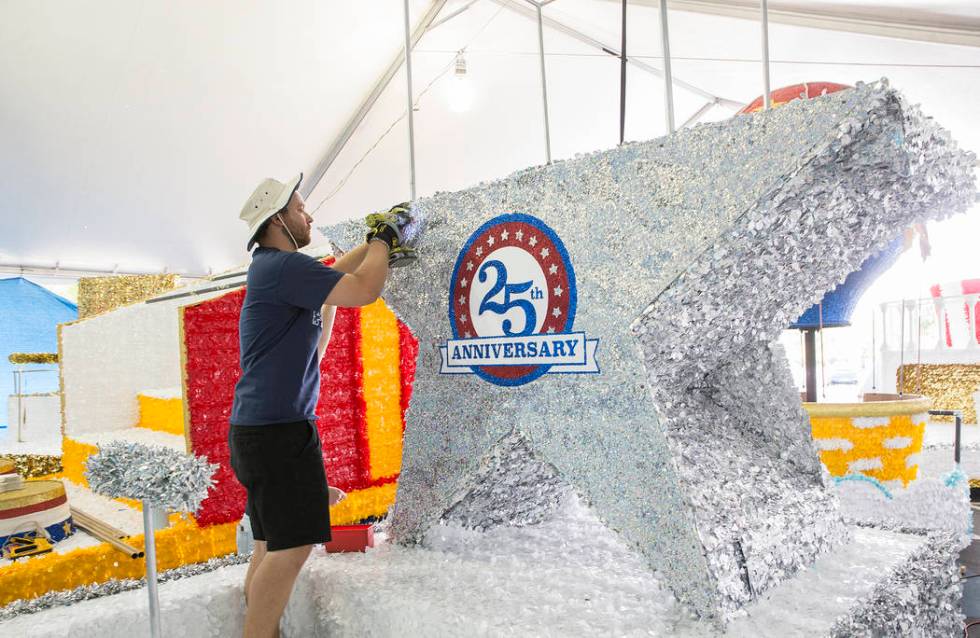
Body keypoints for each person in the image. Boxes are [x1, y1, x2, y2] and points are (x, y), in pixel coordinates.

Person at [229, 173, 411, 638]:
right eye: (300, 209)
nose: (308, 216)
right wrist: (384, 240)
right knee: (291, 548)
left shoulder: (275, 269)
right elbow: (365, 289)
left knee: (270, 544)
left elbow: (337, 279)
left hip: (260, 430)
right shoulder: (283, 269)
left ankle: (261, 630)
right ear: (277, 220)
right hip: (278, 433)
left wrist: (376, 246)